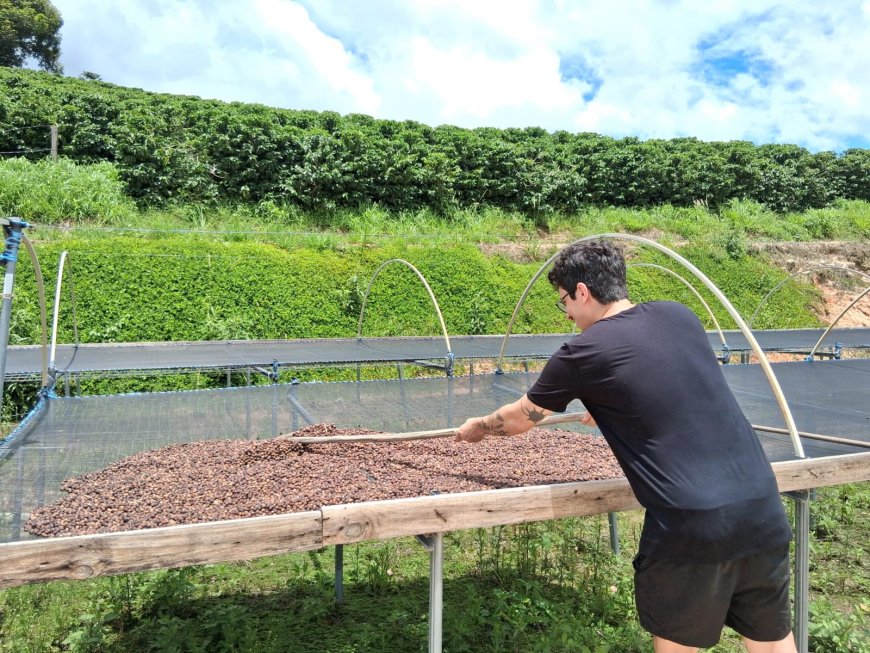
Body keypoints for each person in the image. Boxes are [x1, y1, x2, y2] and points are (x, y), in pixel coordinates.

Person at [455, 239, 797, 653]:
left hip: (691, 526)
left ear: (582, 291)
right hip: (761, 507)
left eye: (563, 300)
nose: (565, 312)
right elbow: (672, 382)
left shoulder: (581, 352)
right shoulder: (678, 315)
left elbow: (519, 419)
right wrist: (616, 403)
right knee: (772, 643)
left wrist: (479, 426)